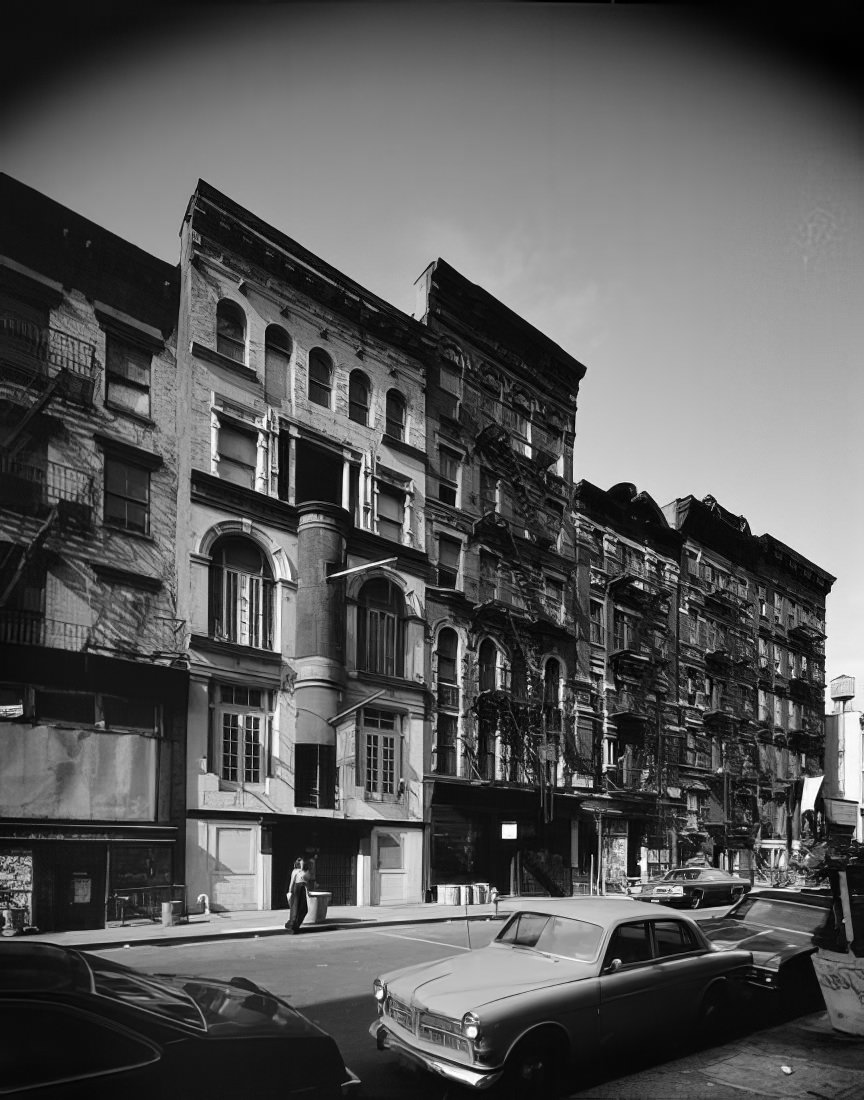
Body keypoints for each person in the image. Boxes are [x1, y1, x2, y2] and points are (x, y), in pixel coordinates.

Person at [285, 858, 311, 934]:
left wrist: (308, 891)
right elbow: (292, 881)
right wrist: (289, 891)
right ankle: (292, 925)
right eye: (300, 862)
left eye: (303, 862)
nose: (302, 863)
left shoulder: (305, 872)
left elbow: (306, 882)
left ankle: (296, 925)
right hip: (296, 888)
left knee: (304, 909)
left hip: (302, 888)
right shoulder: (295, 871)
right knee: (295, 908)